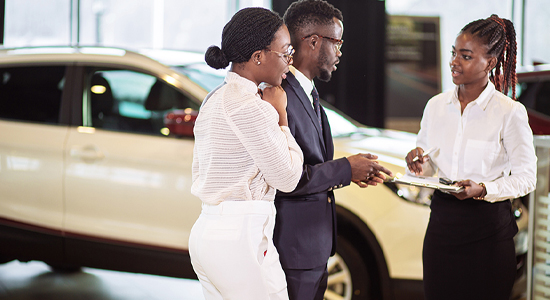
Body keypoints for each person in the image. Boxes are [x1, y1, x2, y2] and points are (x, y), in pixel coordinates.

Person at [405, 14, 536, 300]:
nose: (454, 61)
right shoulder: (436, 106)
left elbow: (527, 178)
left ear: (489, 63)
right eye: (454, 53)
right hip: (441, 229)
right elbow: (428, 165)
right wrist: (419, 163)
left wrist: (485, 189)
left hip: (488, 234)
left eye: (465, 56)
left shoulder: (509, 112)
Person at [273, 1, 393, 299]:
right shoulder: (279, 96)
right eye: (337, 42)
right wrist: (346, 169)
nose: (340, 52)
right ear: (313, 41)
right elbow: (286, 178)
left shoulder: (308, 92)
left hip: (314, 248)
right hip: (292, 250)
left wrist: (351, 173)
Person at [189, 7, 304, 300]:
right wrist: (281, 116)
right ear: (258, 57)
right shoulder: (251, 107)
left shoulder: (213, 99)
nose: (289, 63)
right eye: (285, 52)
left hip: (207, 232)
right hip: (240, 238)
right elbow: (289, 177)